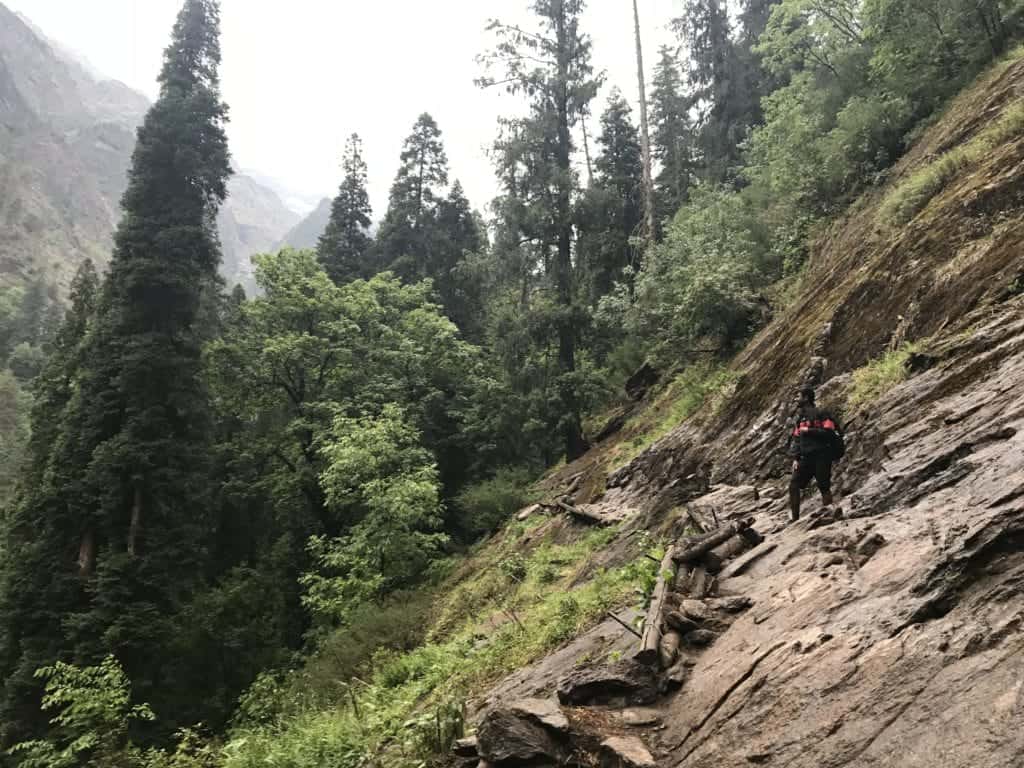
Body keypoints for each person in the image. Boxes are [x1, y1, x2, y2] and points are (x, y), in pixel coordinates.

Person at [787, 387, 844, 522]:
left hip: (822, 456)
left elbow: (829, 432)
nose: (796, 399)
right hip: (806, 458)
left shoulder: (822, 413)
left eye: (798, 396)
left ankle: (831, 514)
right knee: (793, 484)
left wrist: (809, 430)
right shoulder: (800, 418)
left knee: (824, 486)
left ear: (806, 398)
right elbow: (796, 439)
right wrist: (795, 458)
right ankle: (794, 520)